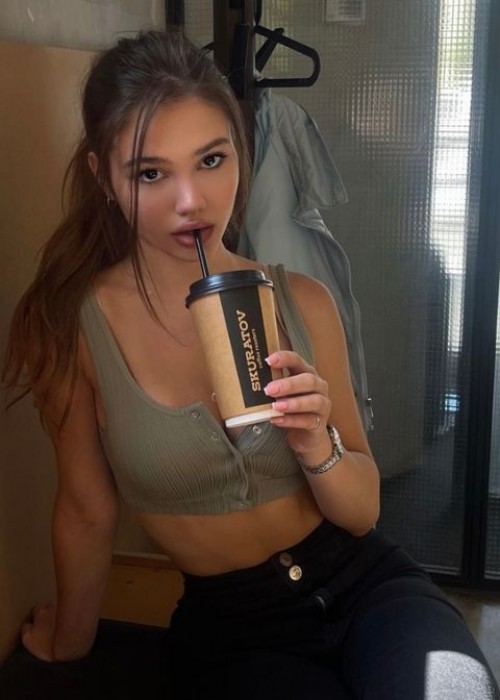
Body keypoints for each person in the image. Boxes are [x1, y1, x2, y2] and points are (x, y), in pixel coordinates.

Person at [2, 27, 499, 700]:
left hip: (369, 588)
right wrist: (71, 641)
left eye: (212, 159)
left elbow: (361, 513)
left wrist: (315, 441)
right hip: (234, 629)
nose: (191, 200)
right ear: (103, 176)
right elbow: (86, 510)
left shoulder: (304, 301)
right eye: (151, 173)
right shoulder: (75, 326)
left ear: (241, 151)